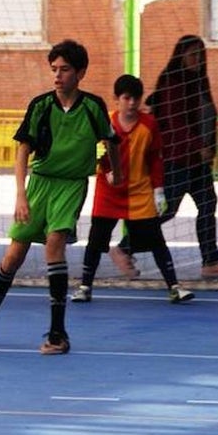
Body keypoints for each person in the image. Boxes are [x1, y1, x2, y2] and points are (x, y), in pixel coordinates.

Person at [0, 40, 121, 355]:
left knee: (54, 244)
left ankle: (58, 333)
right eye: (54, 70)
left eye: (64, 70)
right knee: (13, 256)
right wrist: (21, 194)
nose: (57, 76)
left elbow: (111, 140)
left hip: (71, 184)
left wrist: (114, 169)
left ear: (80, 73)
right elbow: (23, 150)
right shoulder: (41, 105)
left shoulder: (93, 106)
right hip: (40, 184)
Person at [112, 35, 218, 279]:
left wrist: (208, 147)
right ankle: (124, 248)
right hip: (178, 158)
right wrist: (197, 145)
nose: (197, 59)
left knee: (207, 204)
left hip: (197, 161)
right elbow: (175, 122)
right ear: (181, 56)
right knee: (168, 209)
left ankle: (210, 261)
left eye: (200, 55)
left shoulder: (198, 82)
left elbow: (203, 117)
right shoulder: (173, 83)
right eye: (192, 54)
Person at [73, 74, 195, 304]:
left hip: (139, 191)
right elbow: (91, 153)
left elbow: (156, 159)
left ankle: (174, 287)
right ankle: (84, 286)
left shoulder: (149, 124)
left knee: (157, 240)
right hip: (108, 192)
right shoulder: (104, 124)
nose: (131, 103)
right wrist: (102, 168)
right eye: (127, 98)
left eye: (136, 98)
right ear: (116, 99)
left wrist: (158, 190)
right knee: (96, 240)